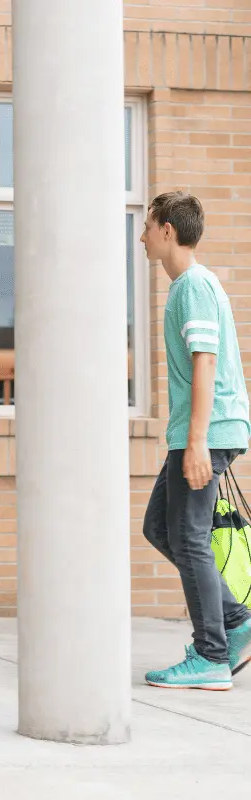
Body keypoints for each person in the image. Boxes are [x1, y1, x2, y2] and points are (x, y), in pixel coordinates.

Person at [139, 192, 251, 689]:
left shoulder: (193, 286)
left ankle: (211, 656)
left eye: (147, 226)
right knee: (161, 527)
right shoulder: (189, 286)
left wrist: (198, 441)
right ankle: (236, 624)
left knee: (187, 536)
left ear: (167, 231)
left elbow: (205, 361)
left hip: (206, 431)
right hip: (196, 431)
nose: (141, 237)